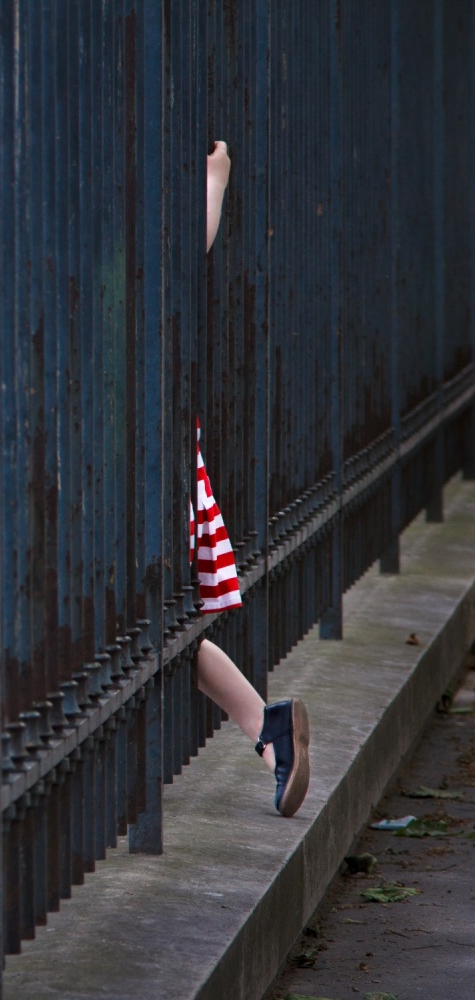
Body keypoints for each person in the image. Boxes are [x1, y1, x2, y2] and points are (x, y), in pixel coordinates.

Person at [193, 141, 311, 818]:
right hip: (140, 441)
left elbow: (178, 257)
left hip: (121, 451)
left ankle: (266, 728)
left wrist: (217, 178)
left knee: (130, 635)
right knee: (142, 635)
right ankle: (268, 731)